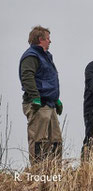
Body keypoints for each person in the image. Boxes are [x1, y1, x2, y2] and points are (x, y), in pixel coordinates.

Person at [19, 26, 63, 165]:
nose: (50, 41)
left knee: (55, 140)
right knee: (39, 140)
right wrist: (34, 96)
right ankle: (38, 173)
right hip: (38, 104)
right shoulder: (31, 56)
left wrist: (56, 99)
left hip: (49, 104)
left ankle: (54, 172)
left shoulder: (46, 57)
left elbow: (49, 80)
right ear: (40, 39)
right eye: (48, 38)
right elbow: (27, 76)